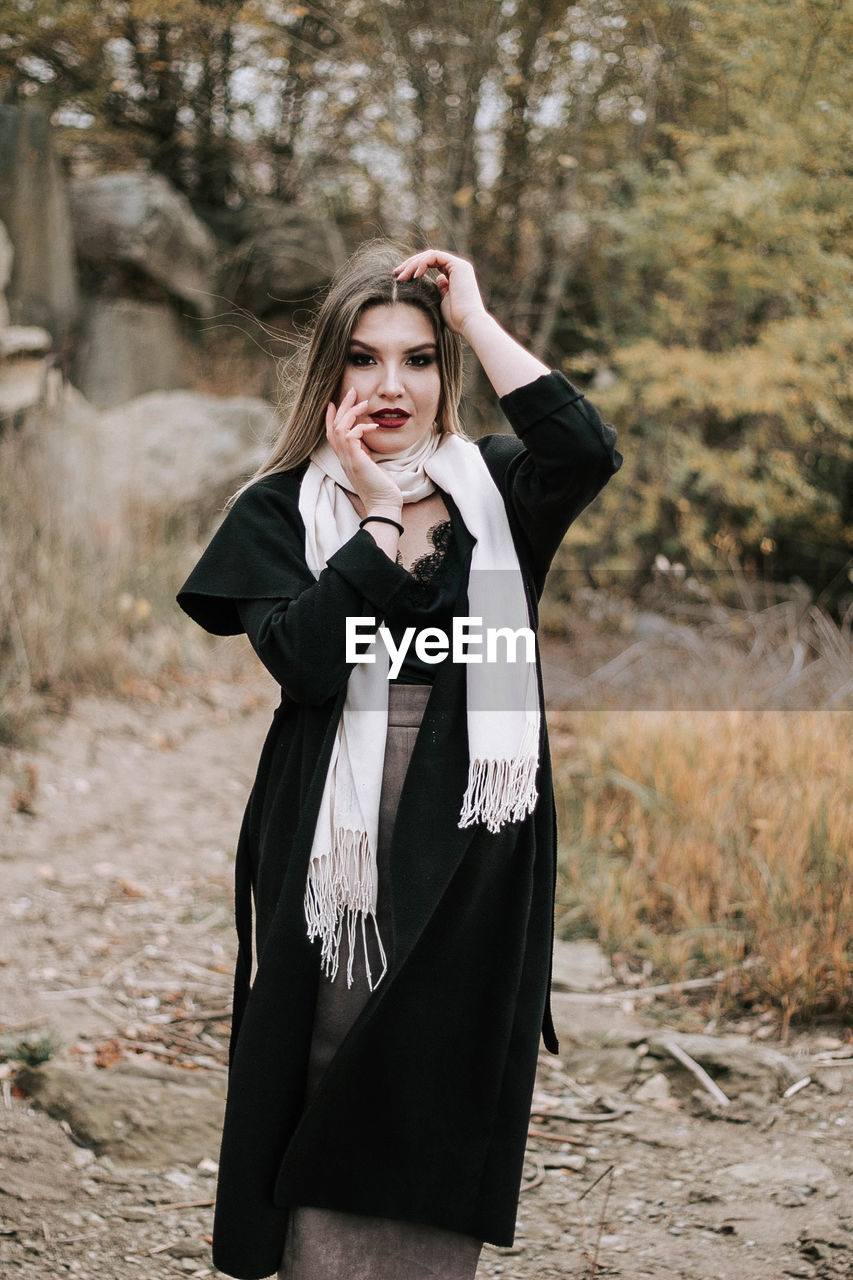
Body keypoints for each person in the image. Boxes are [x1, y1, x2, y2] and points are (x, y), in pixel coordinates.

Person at [177, 243, 622, 1280]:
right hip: (337, 821)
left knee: (443, 1065)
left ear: (444, 373)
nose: (391, 385)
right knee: (330, 1048)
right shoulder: (280, 509)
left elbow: (586, 449)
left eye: (418, 359)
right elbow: (303, 660)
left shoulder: (498, 488)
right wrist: (375, 519)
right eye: (365, 360)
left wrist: (470, 313)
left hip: (478, 819)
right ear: (329, 376)